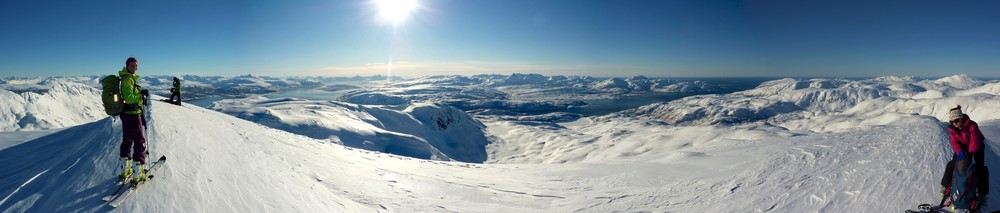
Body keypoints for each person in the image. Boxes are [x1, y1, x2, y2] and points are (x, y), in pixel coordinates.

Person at [940, 105, 986, 196]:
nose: (954, 123)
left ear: (961, 119)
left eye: (956, 120)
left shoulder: (972, 126)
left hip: (978, 145)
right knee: (952, 164)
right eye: (952, 121)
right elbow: (954, 142)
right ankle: (945, 185)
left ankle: (983, 192)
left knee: (980, 167)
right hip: (964, 145)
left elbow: (975, 141)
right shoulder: (953, 129)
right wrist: (959, 151)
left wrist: (969, 155)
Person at [118, 57, 149, 184]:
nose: (135, 67)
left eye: (136, 65)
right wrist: (140, 96)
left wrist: (139, 94)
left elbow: (129, 95)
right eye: (132, 65)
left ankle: (125, 170)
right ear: (127, 66)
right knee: (140, 142)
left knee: (127, 140)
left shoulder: (128, 79)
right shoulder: (128, 79)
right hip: (132, 115)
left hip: (127, 115)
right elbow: (129, 98)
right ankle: (138, 174)